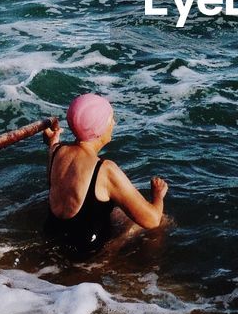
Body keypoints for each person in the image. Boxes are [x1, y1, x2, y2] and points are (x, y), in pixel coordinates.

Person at [43, 93, 168, 255]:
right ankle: (145, 270)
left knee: (116, 212)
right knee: (163, 221)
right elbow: (152, 220)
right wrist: (158, 195)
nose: (114, 123)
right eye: (111, 119)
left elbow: (53, 156)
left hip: (52, 236)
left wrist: (53, 140)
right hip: (85, 252)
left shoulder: (56, 151)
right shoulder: (105, 170)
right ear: (98, 129)